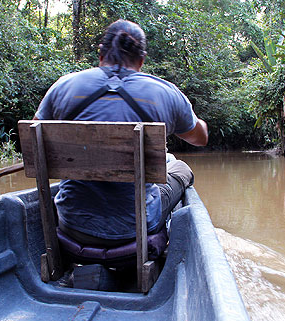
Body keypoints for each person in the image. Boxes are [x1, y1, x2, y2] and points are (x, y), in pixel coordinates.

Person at [33, 19, 208, 248]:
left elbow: (33, 139)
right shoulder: (164, 92)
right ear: (142, 61)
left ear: (101, 54)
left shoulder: (63, 87)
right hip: (134, 229)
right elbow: (200, 138)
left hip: (72, 225)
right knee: (181, 168)